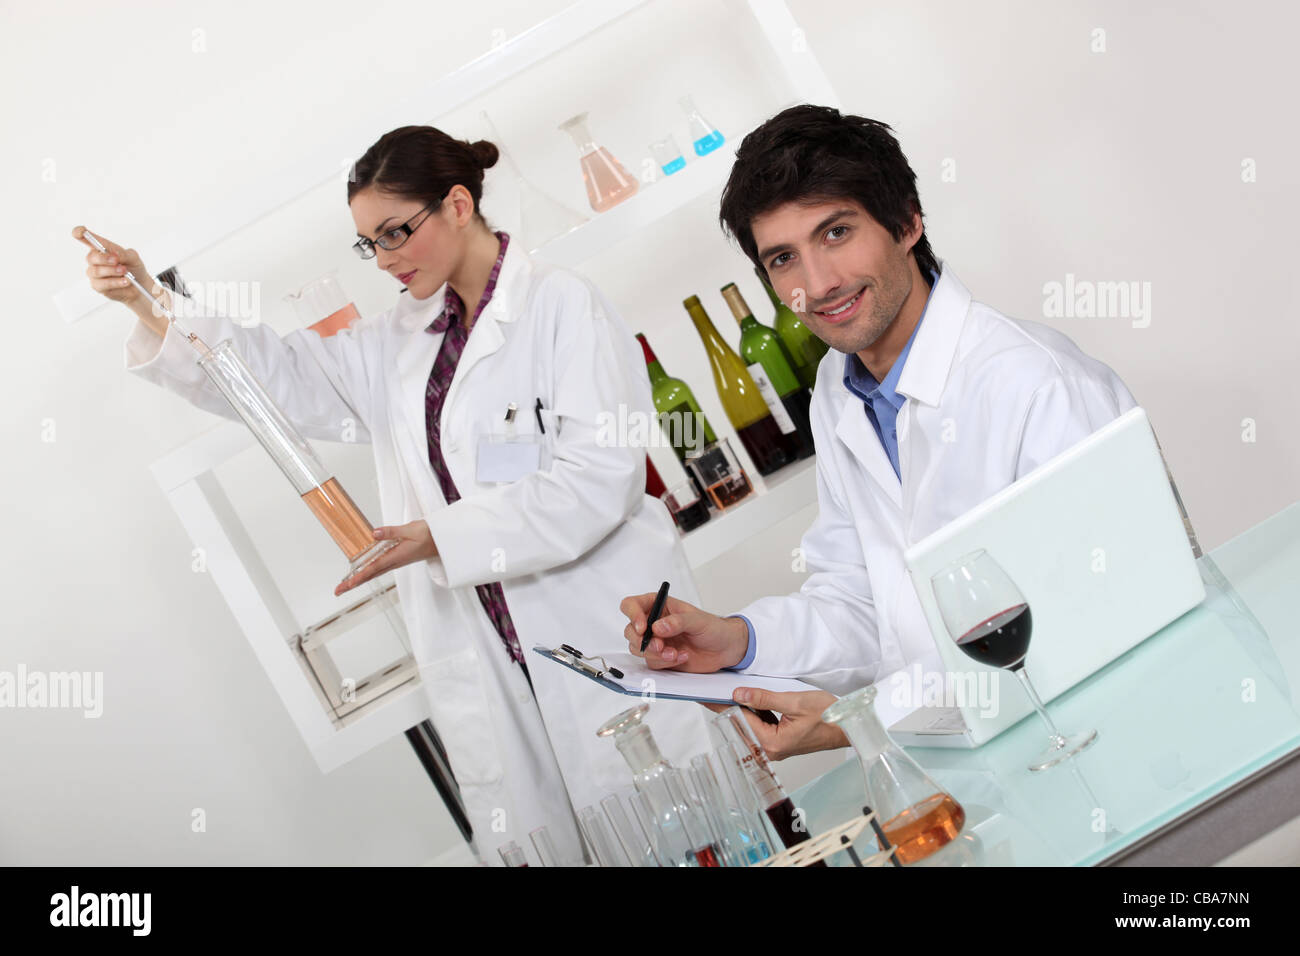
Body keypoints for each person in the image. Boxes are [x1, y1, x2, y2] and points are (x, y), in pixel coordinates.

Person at [76, 124, 712, 865]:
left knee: (679, 836)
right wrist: (149, 302)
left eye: (394, 233)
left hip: (603, 633)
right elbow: (275, 378)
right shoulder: (401, 339)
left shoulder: (562, 307)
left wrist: (441, 537)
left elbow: (599, 479)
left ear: (458, 204)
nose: (382, 260)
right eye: (368, 244)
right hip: (491, 659)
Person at [620, 105, 1137, 759]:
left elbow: (1100, 608)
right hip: (987, 765)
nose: (818, 284)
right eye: (784, 259)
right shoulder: (840, 392)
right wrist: (738, 639)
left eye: (836, 233)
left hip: (1108, 742)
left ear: (907, 222)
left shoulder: (1038, 384)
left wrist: (860, 721)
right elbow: (865, 602)